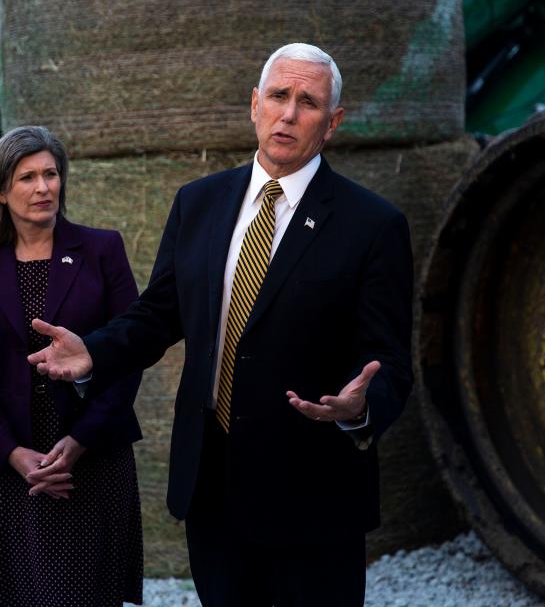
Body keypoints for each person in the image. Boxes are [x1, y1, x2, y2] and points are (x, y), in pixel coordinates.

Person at [29, 43, 413, 607]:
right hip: (211, 483)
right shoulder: (199, 203)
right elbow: (160, 314)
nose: (288, 113)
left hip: (311, 493)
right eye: (278, 96)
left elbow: (391, 363)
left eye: (307, 103)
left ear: (332, 124)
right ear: (254, 104)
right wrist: (96, 351)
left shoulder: (373, 225)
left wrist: (360, 409)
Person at [0, 126, 143, 607]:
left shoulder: (102, 250)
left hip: (91, 458)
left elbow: (130, 352)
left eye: (51, 174)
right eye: (27, 177)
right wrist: (13, 453)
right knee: (11, 593)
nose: (43, 188)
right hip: (11, 462)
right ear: (0, 190)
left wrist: (79, 444)